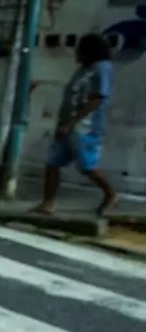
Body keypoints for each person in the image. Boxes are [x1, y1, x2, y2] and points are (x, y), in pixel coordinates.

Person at [36, 33, 117, 216]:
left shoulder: (102, 68)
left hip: (86, 127)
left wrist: (72, 122)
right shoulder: (82, 69)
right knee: (53, 161)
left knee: (87, 166)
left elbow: (97, 98)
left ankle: (110, 193)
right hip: (68, 124)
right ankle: (48, 203)